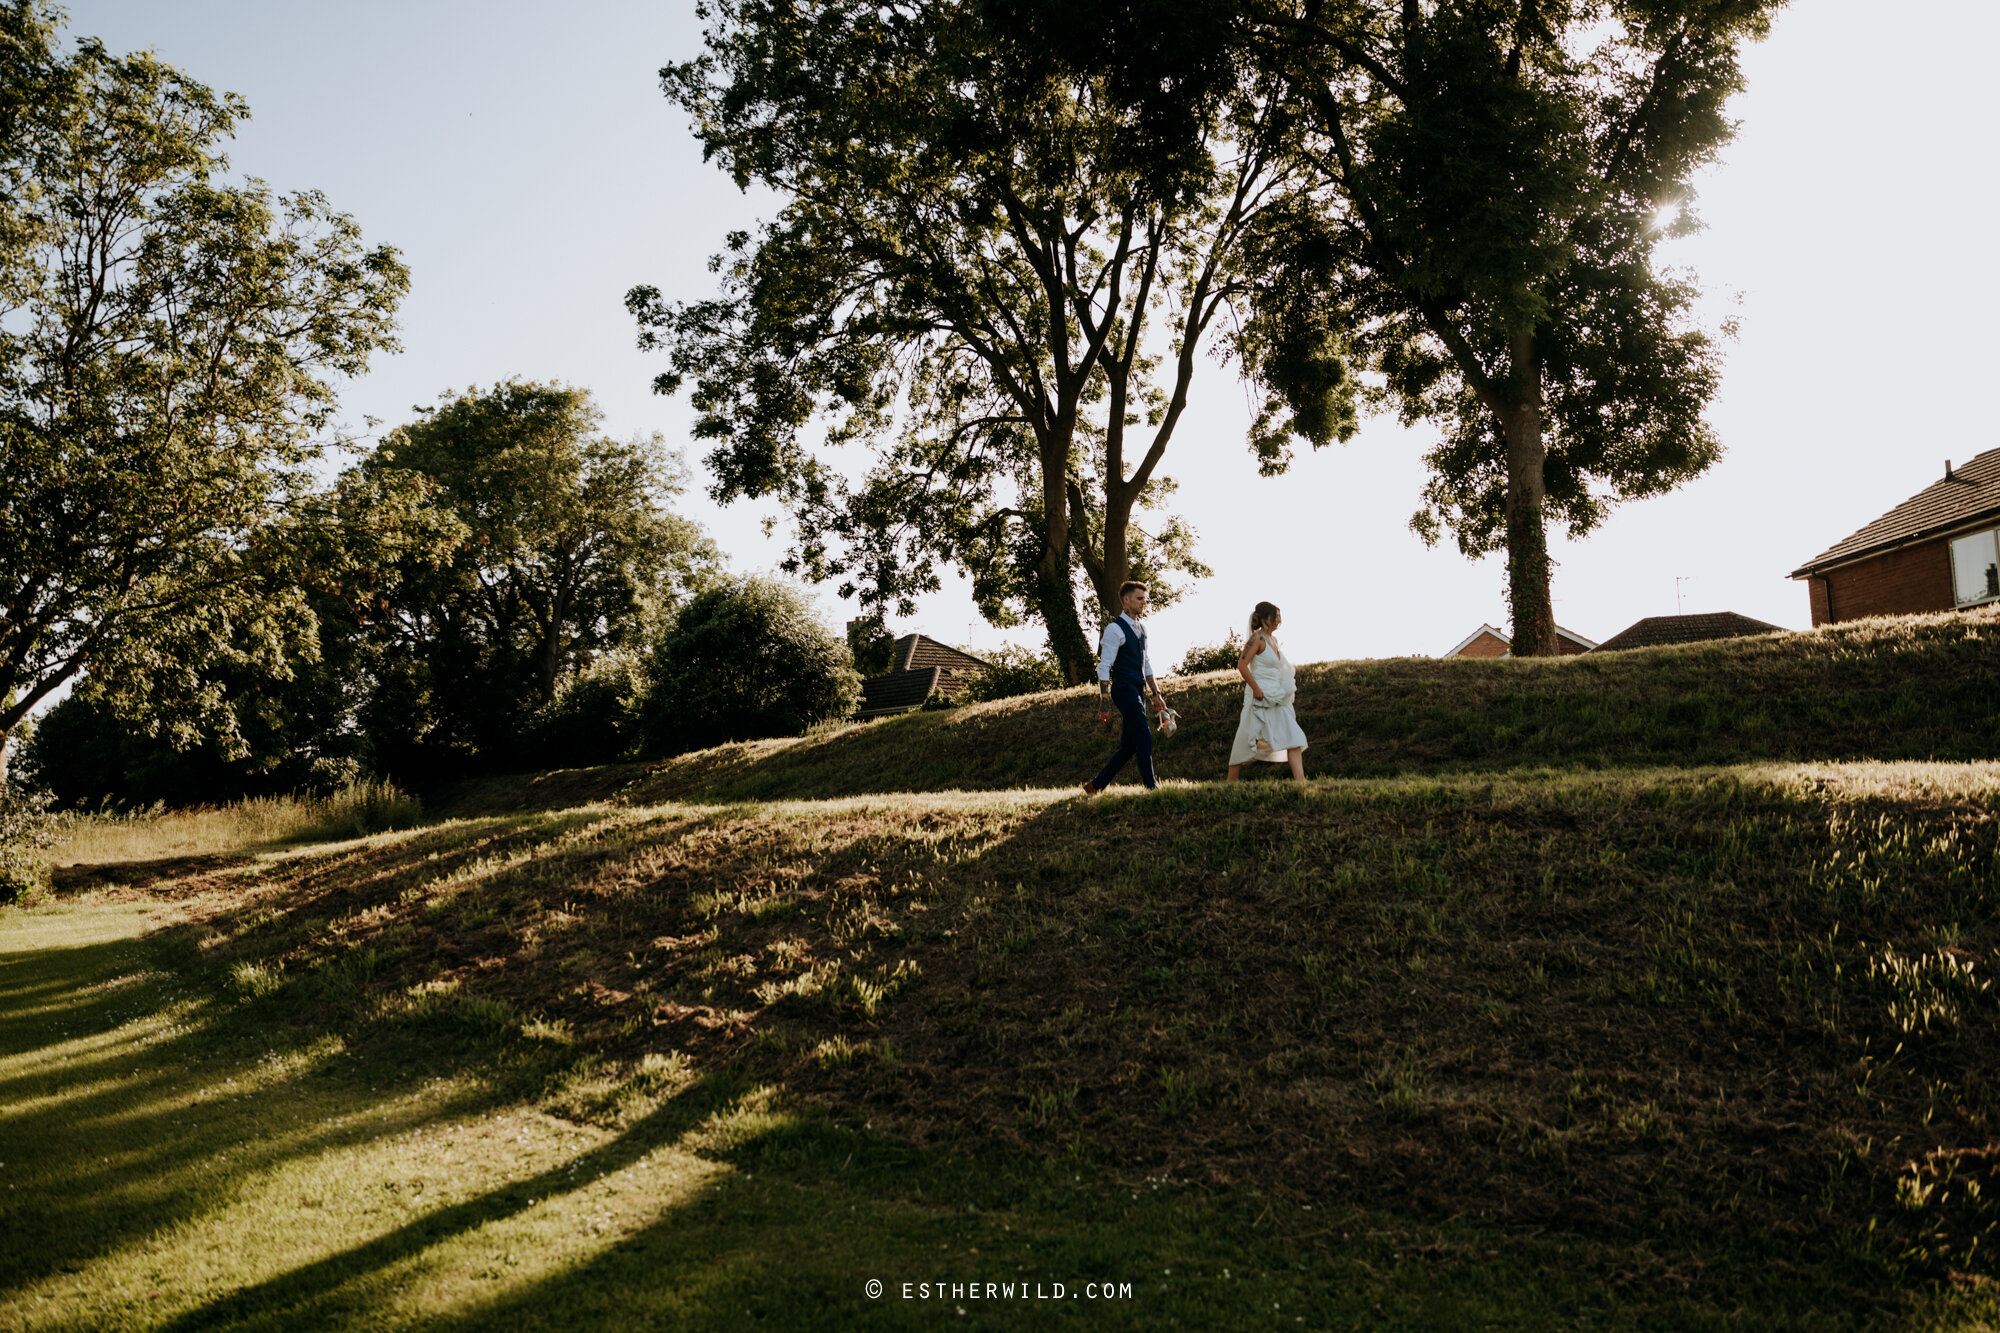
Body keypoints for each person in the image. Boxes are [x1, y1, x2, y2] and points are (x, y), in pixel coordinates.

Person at [1082, 581, 1167, 795]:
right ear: (1126, 600)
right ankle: (1151, 787)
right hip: (1123, 688)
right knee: (1144, 735)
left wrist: (1156, 694)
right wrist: (1104, 700)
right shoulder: (1114, 629)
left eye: (1144, 600)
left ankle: (1095, 785)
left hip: (1137, 689)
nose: (1143, 603)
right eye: (1139, 599)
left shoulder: (1142, 629)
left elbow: (1145, 664)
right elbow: (1104, 666)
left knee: (1129, 745)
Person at [1227, 601, 1308, 782]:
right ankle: (1231, 782)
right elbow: (1241, 665)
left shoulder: (1274, 640)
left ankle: (1301, 782)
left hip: (1277, 696)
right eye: (1276, 616)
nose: (1279, 620)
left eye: (1280, 616)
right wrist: (1256, 688)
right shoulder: (1257, 639)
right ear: (1265, 618)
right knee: (1245, 738)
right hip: (1259, 697)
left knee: (1294, 736)